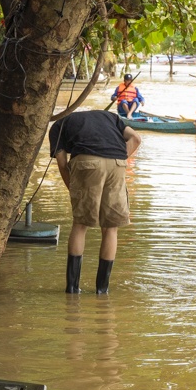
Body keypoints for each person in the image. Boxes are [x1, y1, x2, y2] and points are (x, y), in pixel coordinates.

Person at [48, 107, 138, 296]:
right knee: (111, 227)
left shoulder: (58, 126)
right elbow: (136, 139)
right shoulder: (111, 117)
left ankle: (72, 289)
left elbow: (63, 164)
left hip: (87, 162)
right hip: (118, 161)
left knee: (80, 224)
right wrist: (118, 160)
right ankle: (102, 291)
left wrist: (74, 190)